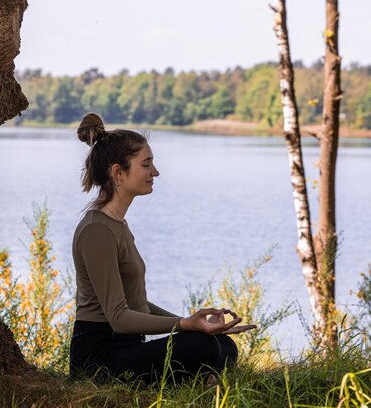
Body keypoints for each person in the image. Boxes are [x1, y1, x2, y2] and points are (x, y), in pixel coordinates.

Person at [69, 113, 256, 384]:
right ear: (118, 173)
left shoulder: (117, 224)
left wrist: (196, 322)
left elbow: (137, 304)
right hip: (99, 357)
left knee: (222, 345)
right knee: (200, 346)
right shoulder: (97, 231)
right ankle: (198, 380)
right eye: (146, 165)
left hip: (127, 346)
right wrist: (185, 325)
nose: (155, 172)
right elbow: (119, 318)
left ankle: (197, 379)